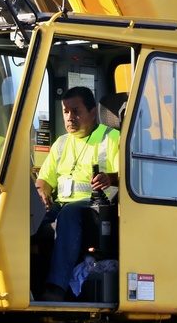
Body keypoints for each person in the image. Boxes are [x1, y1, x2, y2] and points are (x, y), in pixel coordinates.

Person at [35, 86, 120, 301]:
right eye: (66, 112)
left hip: (97, 207)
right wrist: (41, 193)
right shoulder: (61, 143)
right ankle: (27, 284)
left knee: (69, 213)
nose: (70, 117)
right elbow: (45, 179)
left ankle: (56, 287)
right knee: (28, 218)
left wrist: (110, 177)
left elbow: (127, 174)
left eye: (76, 111)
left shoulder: (112, 138)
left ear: (92, 113)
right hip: (62, 206)